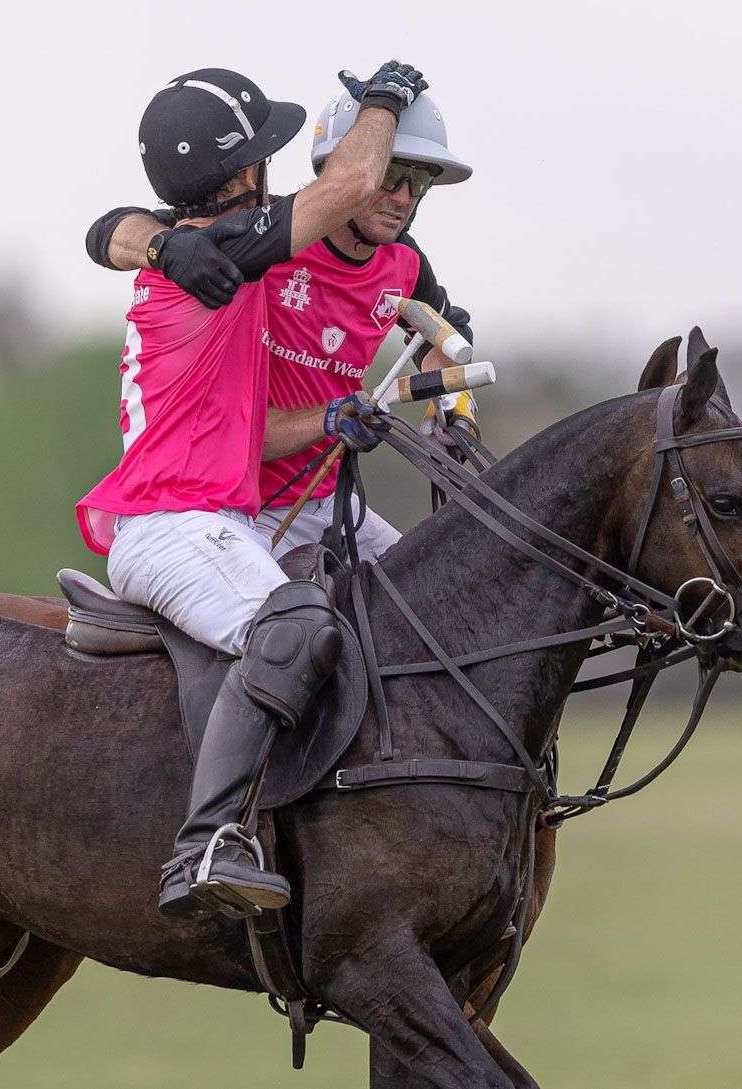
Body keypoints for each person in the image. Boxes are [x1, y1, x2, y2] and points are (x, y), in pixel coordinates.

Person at [77, 63, 429, 918]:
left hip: (205, 515)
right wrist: (384, 98)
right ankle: (206, 845)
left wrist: (335, 415)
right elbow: (350, 182)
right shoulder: (227, 254)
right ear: (241, 176)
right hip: (171, 523)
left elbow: (103, 230)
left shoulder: (194, 250)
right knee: (299, 626)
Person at [86, 86, 475, 560]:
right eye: (390, 174)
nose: (402, 197)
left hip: (329, 500)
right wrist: (162, 247)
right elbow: (110, 229)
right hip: (242, 505)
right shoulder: (264, 237)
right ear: (348, 164)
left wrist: (453, 403)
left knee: (442, 598)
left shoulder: (406, 263)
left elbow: (446, 333)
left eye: (419, 181)